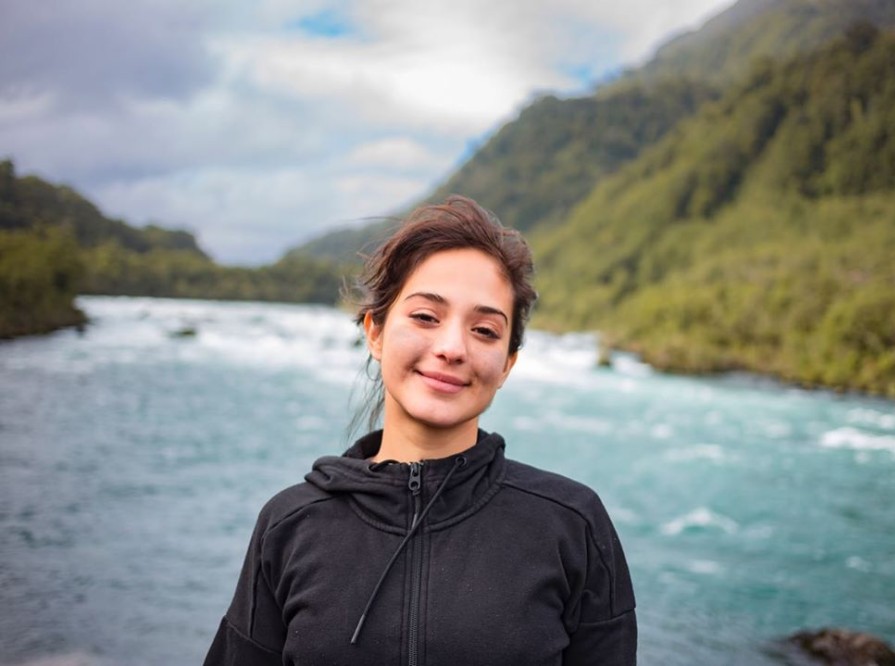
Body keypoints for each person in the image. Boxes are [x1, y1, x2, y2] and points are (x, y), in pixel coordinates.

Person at [204, 196, 637, 665]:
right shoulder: (290, 525)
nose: (452, 348)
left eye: (485, 331)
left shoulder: (572, 525)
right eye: (426, 317)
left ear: (507, 364)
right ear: (375, 331)